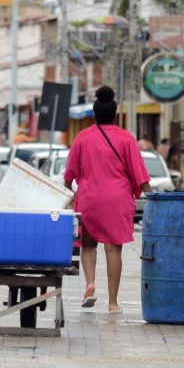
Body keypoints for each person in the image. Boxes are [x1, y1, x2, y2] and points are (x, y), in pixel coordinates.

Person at [63, 86, 151, 314]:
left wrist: (69, 191)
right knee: (113, 250)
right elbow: (140, 174)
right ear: (115, 115)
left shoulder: (82, 138)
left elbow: (69, 173)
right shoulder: (126, 139)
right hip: (117, 201)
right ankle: (113, 303)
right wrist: (152, 195)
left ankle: (90, 284)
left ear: (94, 114)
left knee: (88, 245)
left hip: (89, 199)